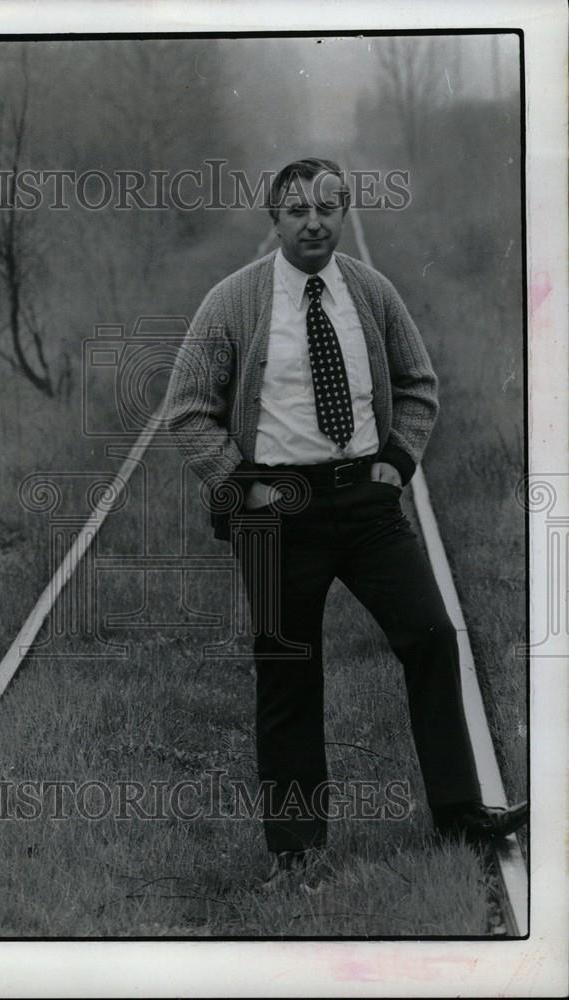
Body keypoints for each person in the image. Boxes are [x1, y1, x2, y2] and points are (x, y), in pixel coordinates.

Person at [165, 157, 527, 889]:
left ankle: (461, 814)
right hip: (274, 512)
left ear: (343, 212)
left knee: (432, 635)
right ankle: (296, 853)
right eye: (297, 210)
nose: (315, 223)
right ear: (275, 219)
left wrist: (396, 459)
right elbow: (187, 407)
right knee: (288, 672)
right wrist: (241, 486)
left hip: (365, 504)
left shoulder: (370, 290)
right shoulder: (233, 301)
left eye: (329, 208)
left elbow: (419, 383)